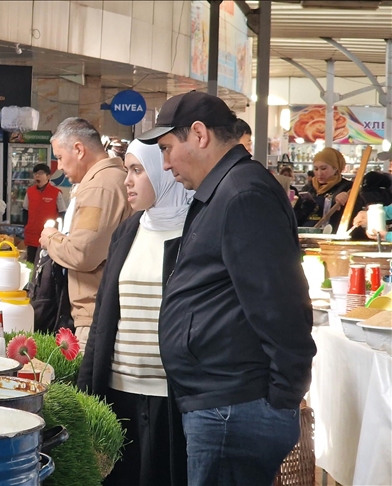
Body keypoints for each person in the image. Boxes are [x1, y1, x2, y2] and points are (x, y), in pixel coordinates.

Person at [138, 91, 316, 485]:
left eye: (168, 149)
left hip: (236, 409)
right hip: (224, 403)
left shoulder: (243, 193)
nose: (165, 165)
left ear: (199, 134)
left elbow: (279, 304)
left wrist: (280, 397)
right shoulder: (225, 189)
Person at [78, 140, 191, 486]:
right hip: (119, 393)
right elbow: (104, 317)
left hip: (172, 401)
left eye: (137, 170)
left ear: (164, 172)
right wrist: (86, 386)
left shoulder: (196, 233)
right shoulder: (129, 230)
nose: (128, 180)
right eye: (127, 169)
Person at [38, 118, 133, 351]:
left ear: (79, 150)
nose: (58, 166)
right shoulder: (104, 181)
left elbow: (82, 253)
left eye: (59, 157)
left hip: (94, 315)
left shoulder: (100, 187)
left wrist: (50, 238)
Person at [293, 147, 352, 230]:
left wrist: (345, 201)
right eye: (316, 169)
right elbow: (295, 220)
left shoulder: (347, 187)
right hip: (306, 236)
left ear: (335, 168)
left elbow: (353, 217)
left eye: (323, 168)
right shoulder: (308, 188)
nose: (319, 173)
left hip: (331, 236)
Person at [23, 163, 67, 263]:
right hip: (32, 234)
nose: (37, 176)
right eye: (35, 174)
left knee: (45, 264)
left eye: (40, 173)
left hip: (49, 235)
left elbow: (62, 213)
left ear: (48, 176)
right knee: (31, 262)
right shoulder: (29, 192)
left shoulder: (56, 193)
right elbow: (25, 211)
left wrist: (59, 231)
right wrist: (26, 226)